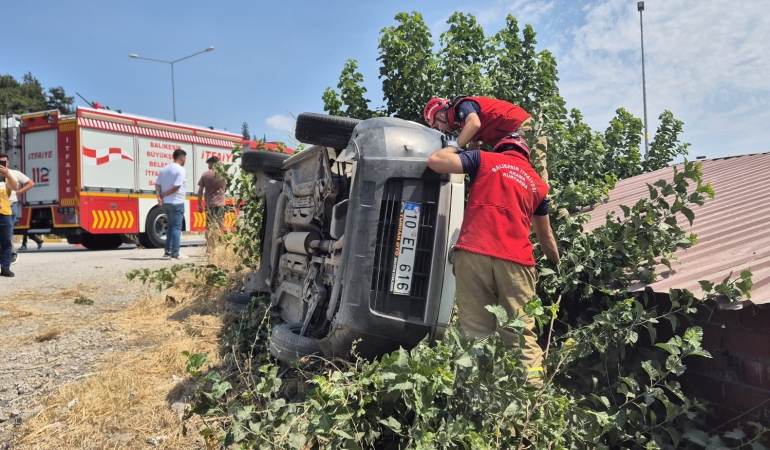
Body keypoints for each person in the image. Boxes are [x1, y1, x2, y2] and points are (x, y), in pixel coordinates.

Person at [427, 133, 560, 386]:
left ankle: (478, 396)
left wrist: (457, 146)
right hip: (517, 262)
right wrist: (557, 263)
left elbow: (436, 161)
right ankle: (530, 396)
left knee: (475, 331)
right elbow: (546, 236)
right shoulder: (538, 185)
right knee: (519, 333)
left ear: (500, 149)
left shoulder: (484, 159)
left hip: (473, 253)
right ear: (526, 155)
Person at [424, 95, 549, 182]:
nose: (440, 130)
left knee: (534, 177)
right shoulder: (465, 125)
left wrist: (453, 147)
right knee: (511, 177)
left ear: (441, 115)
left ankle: (557, 215)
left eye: (436, 125)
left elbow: (475, 123)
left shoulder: (462, 106)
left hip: (525, 128)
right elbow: (474, 149)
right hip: (514, 137)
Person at [0, 154, 39, 263]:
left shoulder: (14, 173)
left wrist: (19, 192)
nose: (2, 164)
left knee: (8, 233)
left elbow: (30, 183)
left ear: (8, 162)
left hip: (11, 206)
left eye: (4, 162)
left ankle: (12, 254)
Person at [154, 149, 189, 260]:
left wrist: (159, 197)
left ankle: (167, 251)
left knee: (170, 227)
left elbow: (157, 184)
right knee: (176, 228)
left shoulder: (164, 169)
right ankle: (176, 253)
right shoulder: (181, 170)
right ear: (181, 158)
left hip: (166, 204)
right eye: (185, 158)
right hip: (176, 202)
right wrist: (163, 194)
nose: (185, 160)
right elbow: (176, 187)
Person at [196, 156, 227, 246]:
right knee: (218, 227)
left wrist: (199, 204)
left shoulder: (205, 175)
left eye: (208, 164)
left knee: (209, 227)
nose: (208, 166)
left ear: (212, 163)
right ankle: (217, 246)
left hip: (209, 205)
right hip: (220, 205)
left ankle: (209, 247)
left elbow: (200, 191)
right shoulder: (224, 174)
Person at [0, 158, 20, 277]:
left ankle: (5, 268)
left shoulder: (6, 178)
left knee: (6, 242)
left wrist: (7, 173)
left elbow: (15, 187)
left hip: (6, 213)